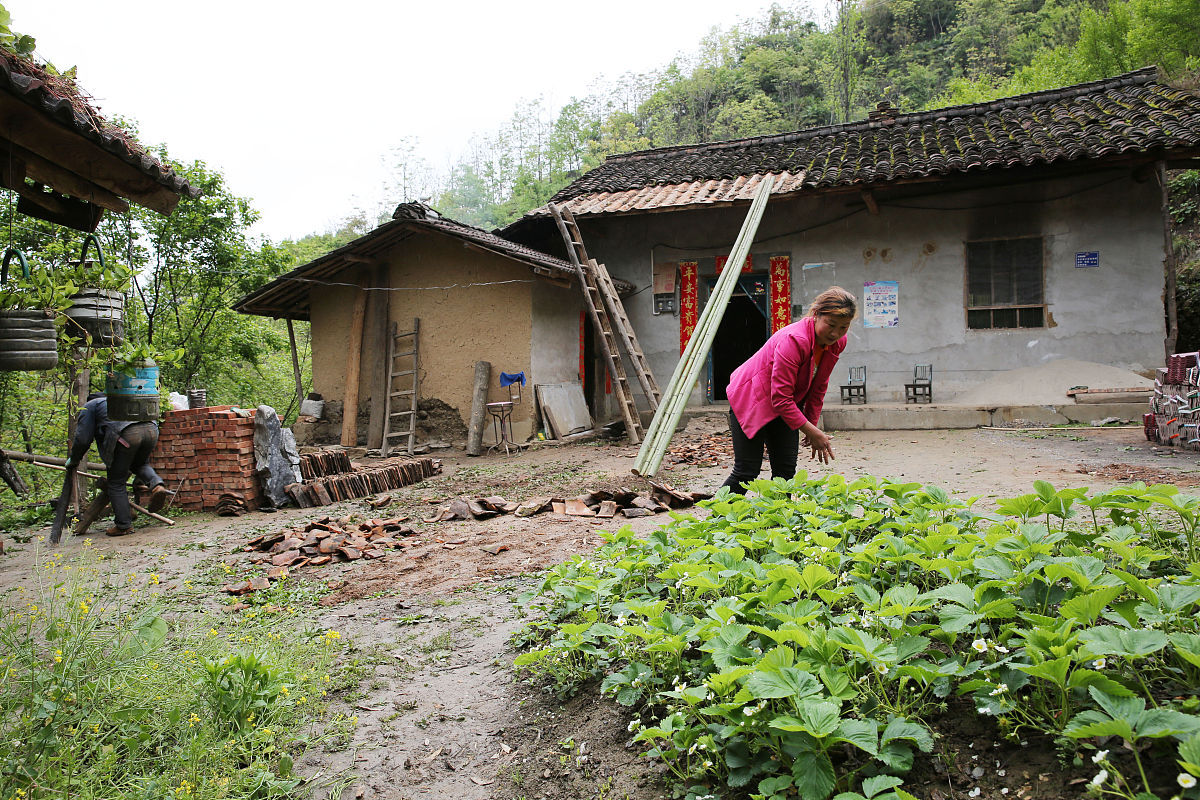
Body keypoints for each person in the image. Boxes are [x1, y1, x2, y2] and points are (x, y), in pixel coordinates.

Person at [720, 286, 857, 493]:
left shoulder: (838, 343)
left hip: (786, 405)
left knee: (785, 472)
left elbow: (819, 386)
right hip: (751, 398)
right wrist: (813, 431)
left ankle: (778, 523)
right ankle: (715, 520)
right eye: (831, 324)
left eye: (843, 327)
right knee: (746, 471)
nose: (835, 333)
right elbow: (780, 398)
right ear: (816, 315)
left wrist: (811, 426)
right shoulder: (794, 339)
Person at [65, 392, 170, 536]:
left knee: (116, 482)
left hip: (126, 435)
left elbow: (83, 439)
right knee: (140, 465)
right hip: (151, 430)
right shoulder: (121, 398)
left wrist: (74, 459)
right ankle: (157, 485)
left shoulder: (90, 406)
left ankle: (123, 525)